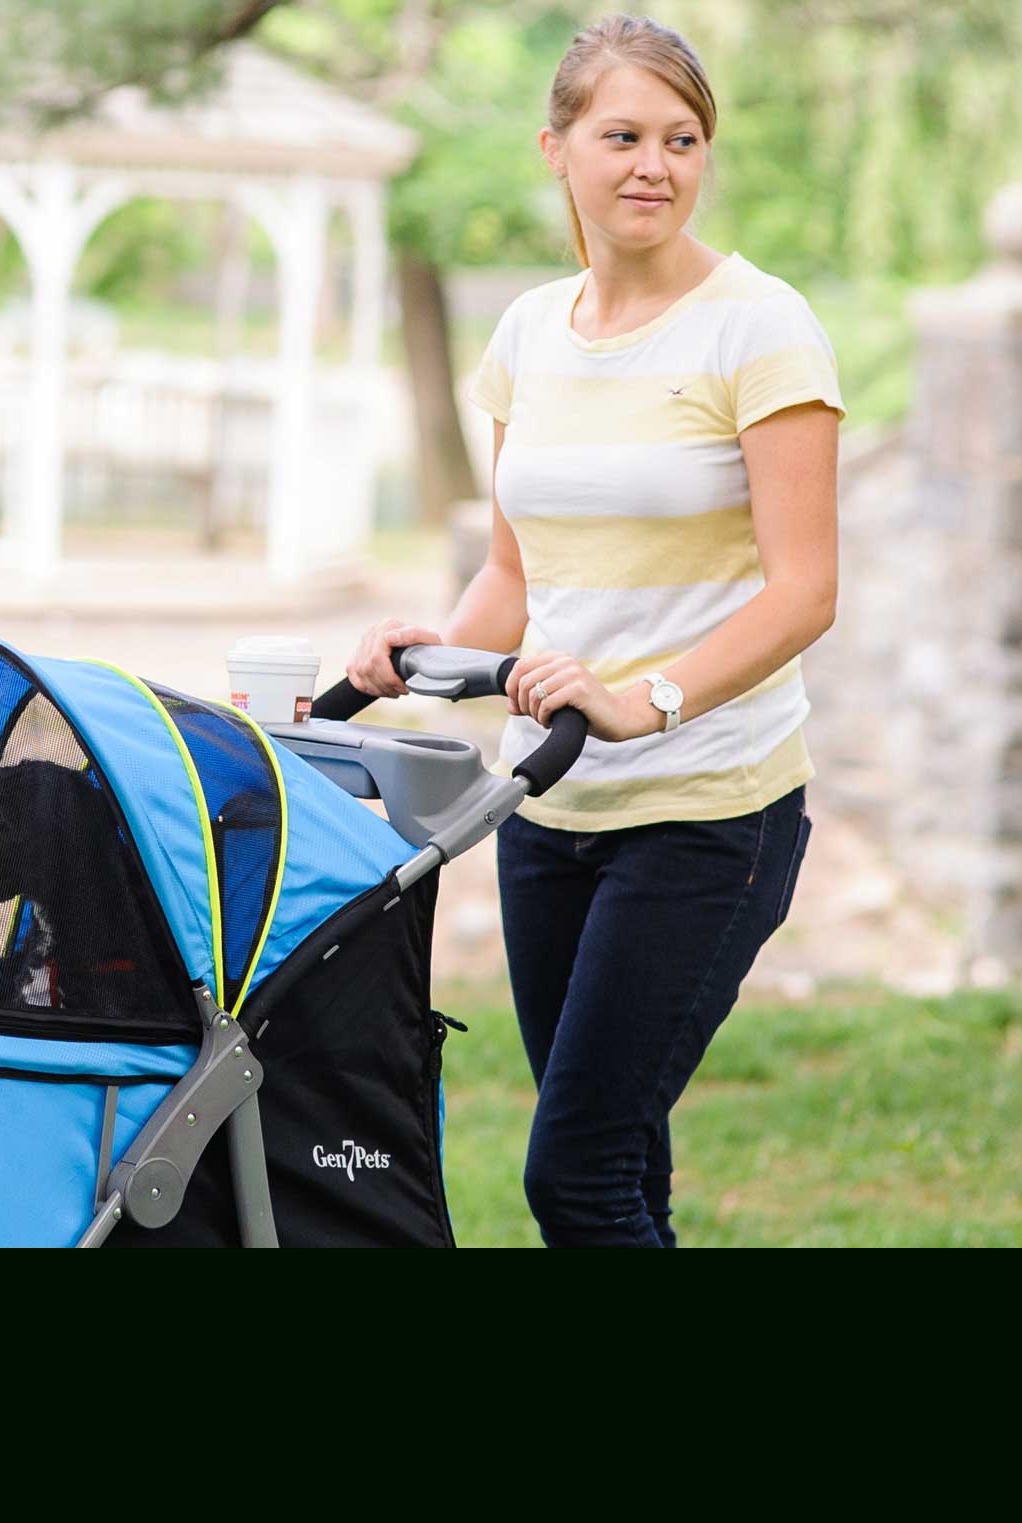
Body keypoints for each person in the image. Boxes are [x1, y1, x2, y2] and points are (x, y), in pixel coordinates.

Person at [347, 13, 843, 1248]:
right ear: (556, 148)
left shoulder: (760, 326)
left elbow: (804, 592)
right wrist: (417, 666)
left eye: (683, 139)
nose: (654, 166)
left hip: (708, 812)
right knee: (622, 1179)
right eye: (622, 136)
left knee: (574, 1178)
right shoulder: (529, 332)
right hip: (548, 810)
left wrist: (646, 700)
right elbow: (516, 572)